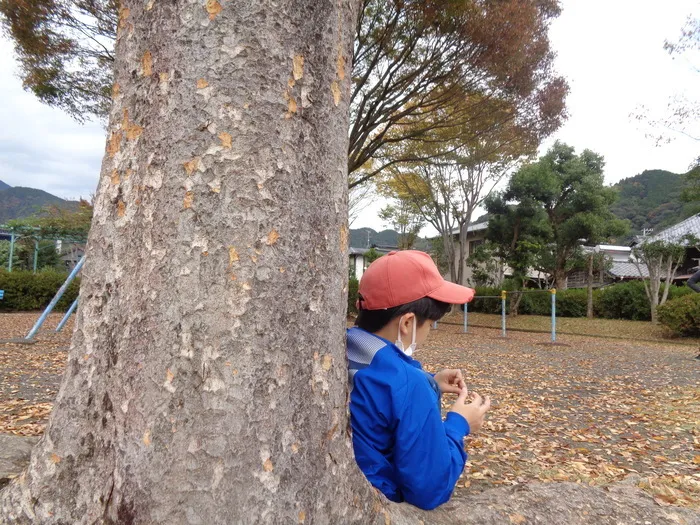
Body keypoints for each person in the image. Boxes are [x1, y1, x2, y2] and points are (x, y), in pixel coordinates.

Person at [347, 250, 491, 510]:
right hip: (384, 502)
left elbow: (379, 388)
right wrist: (459, 425)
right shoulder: (410, 384)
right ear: (408, 322)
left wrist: (431, 382)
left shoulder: (343, 347)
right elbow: (430, 489)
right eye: (430, 324)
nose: (428, 333)